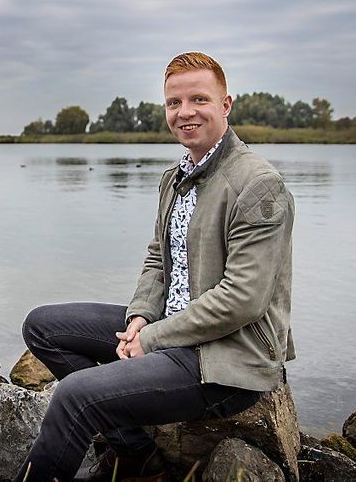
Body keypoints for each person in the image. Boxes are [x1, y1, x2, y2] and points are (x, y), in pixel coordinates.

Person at [15, 52, 295, 481]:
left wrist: (153, 338)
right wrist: (140, 316)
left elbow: (243, 300)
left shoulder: (258, 184)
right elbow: (158, 258)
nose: (185, 113)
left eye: (199, 99)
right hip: (168, 328)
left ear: (226, 105)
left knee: (75, 397)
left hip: (223, 358)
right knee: (42, 327)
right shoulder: (175, 177)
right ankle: (137, 455)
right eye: (173, 103)